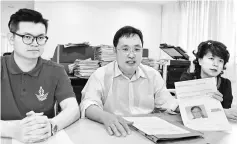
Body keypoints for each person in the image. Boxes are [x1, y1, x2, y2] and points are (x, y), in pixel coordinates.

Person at [80, 26, 179, 137]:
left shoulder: (153, 75)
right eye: (125, 49)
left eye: (137, 49)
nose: (131, 55)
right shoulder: (100, 75)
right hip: (114, 131)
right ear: (115, 51)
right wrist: (105, 117)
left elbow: (168, 103)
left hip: (147, 133)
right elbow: (88, 105)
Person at [1, 8, 80, 143]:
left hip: (42, 138)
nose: (35, 43)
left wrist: (51, 125)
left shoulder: (56, 71)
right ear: (11, 39)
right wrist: (13, 130)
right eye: (27, 37)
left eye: (40, 37)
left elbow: (73, 108)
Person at [180, 40, 237, 121]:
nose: (216, 64)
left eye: (220, 61)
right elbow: (186, 109)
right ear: (200, 60)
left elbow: (227, 110)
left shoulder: (225, 83)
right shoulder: (188, 79)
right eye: (211, 58)